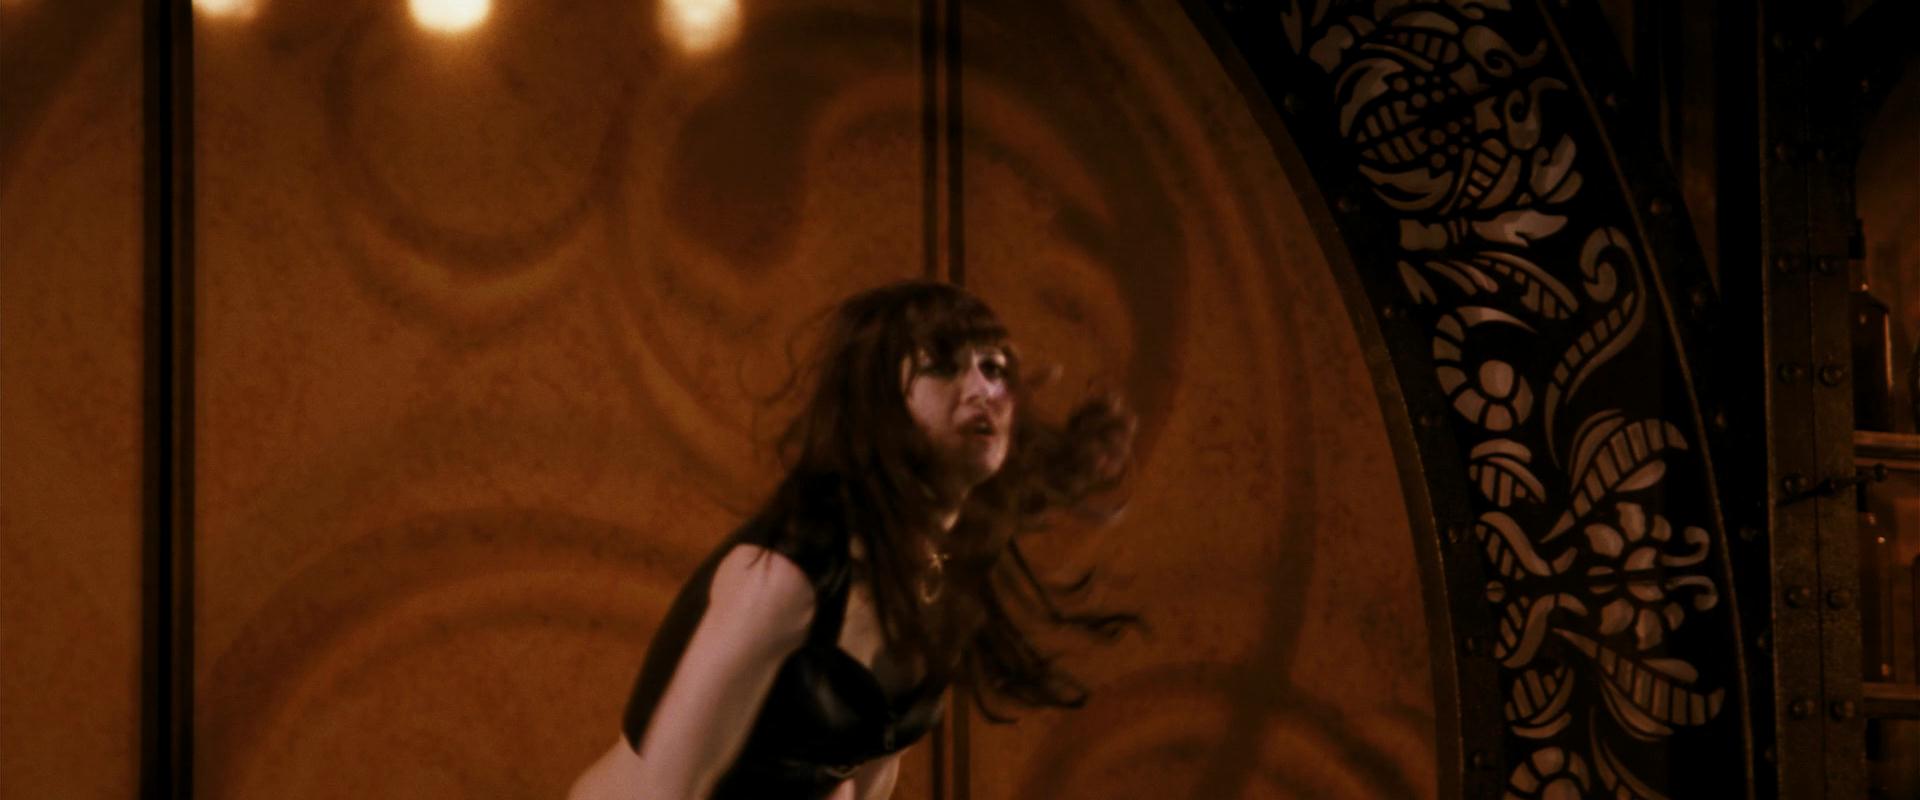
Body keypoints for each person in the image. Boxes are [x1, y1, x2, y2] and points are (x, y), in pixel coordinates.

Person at [569, 280, 1138, 799]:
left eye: (995, 367)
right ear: (879, 400)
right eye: (942, 366)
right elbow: (667, 790)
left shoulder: (938, 572)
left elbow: (864, 772)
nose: (982, 390)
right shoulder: (784, 576)